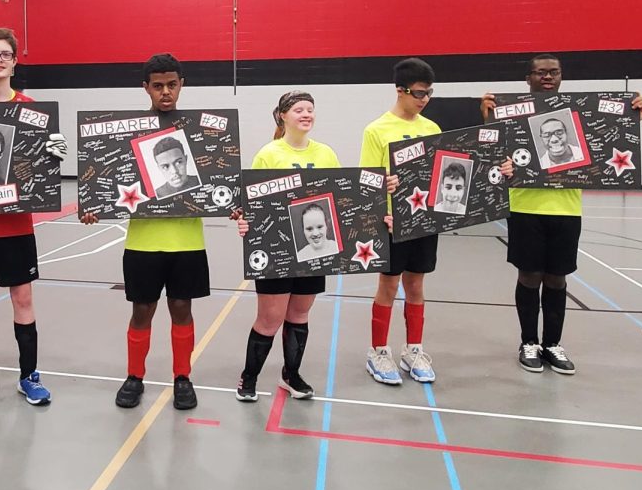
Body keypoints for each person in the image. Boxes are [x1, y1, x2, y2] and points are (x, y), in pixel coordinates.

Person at [482, 54, 642, 375]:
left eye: (553, 72)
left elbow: (607, 138)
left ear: (561, 77)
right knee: (529, 275)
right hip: (524, 207)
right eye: (540, 72)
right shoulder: (511, 114)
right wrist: (488, 116)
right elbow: (490, 147)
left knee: (557, 278)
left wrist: (634, 115)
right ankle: (529, 342)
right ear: (528, 78)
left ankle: (552, 344)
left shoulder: (579, 114)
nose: (547, 77)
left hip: (567, 209)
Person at [233, 90, 391, 402]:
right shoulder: (269, 154)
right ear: (283, 116)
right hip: (278, 250)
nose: (306, 114)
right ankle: (248, 377)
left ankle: (290, 375)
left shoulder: (326, 154)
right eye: (299, 110)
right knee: (270, 318)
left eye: (310, 109)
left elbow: (342, 201)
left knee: (300, 314)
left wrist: (377, 214)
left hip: (315, 251)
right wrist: (245, 222)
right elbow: (253, 204)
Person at [82, 54, 206, 411]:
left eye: (172, 84)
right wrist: (94, 204)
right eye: (157, 85)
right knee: (142, 309)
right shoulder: (127, 132)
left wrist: (228, 199)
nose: (165, 92)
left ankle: (182, 377)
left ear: (181, 84)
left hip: (187, 240)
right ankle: (135, 375)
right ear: (145, 88)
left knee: (182, 308)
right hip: (143, 241)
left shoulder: (198, 133)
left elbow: (218, 180)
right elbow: (106, 179)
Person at [0, 28, 66, 413]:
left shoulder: (32, 110)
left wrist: (55, 154)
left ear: (15, 61)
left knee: (23, 299)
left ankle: (28, 377)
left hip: (17, 226)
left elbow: (39, 170)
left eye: (5, 53)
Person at [360, 58, 444, 386]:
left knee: (417, 285)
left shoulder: (432, 129)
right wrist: (384, 185)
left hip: (423, 220)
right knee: (389, 285)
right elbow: (367, 180)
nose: (424, 99)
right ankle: (379, 351)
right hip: (392, 222)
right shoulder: (376, 130)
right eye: (419, 93)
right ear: (400, 90)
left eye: (428, 94)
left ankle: (413, 349)